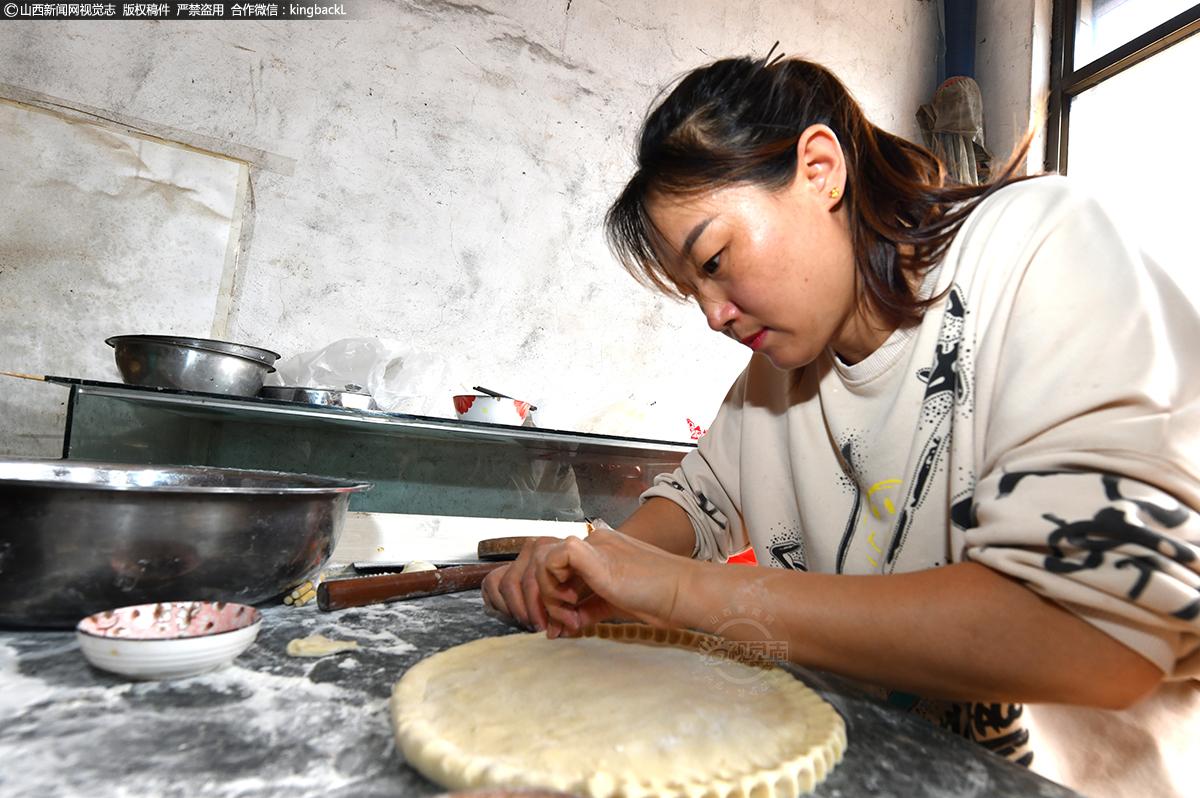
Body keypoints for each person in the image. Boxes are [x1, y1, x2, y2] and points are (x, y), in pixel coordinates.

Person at [482, 52, 1200, 795]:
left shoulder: (1035, 252)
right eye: (693, 289)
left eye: (718, 259)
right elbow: (697, 505)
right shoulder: (776, 383)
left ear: (820, 168)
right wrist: (589, 567)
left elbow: (1093, 637)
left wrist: (671, 590)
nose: (713, 315)